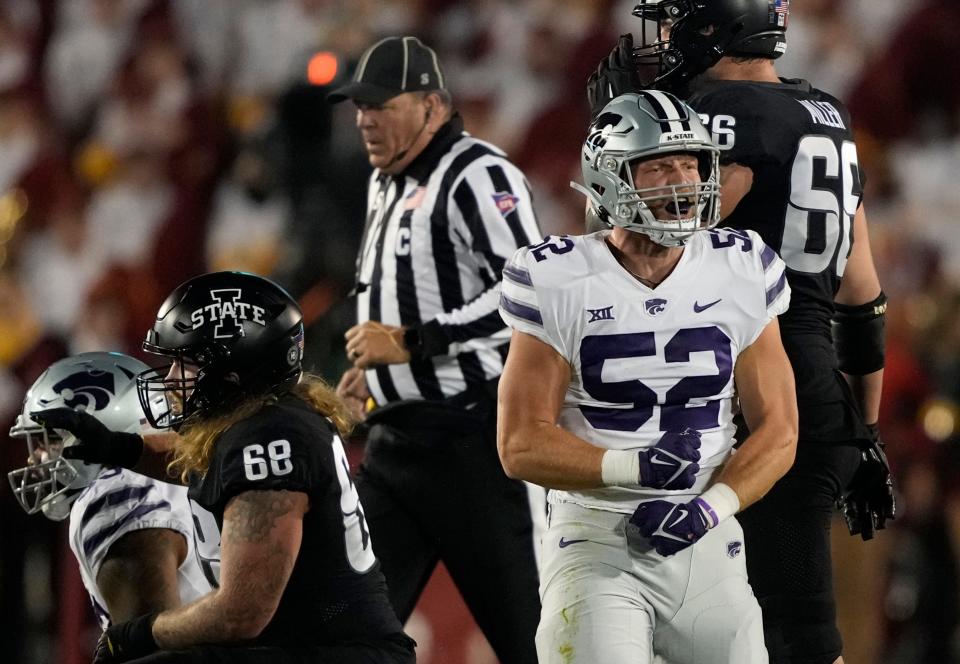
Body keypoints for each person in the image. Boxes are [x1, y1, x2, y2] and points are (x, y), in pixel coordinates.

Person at [585, 2, 896, 662]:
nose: (665, 36)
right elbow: (863, 300)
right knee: (778, 629)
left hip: (734, 395)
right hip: (815, 390)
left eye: (676, 19)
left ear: (714, 24)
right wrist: (863, 431)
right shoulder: (830, 117)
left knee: (764, 635)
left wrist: (625, 147)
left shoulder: (721, 113)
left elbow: (653, 250)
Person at [497, 90, 798, 664]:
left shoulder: (740, 266)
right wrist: (632, 466)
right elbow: (519, 444)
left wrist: (712, 506)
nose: (683, 181)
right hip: (597, 537)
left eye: (690, 163)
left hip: (707, 531)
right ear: (610, 177)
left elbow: (780, 430)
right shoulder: (558, 277)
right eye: (660, 165)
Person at [31, 271, 415, 663]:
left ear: (232, 372)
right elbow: (195, 458)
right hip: (320, 646)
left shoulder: (267, 442)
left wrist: (141, 632)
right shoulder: (263, 422)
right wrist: (116, 446)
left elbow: (239, 615)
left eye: (186, 364)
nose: (172, 379)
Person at [327, 35, 543, 663]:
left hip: (471, 444)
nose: (364, 118)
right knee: (350, 633)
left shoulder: (480, 173)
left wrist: (414, 344)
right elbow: (401, 298)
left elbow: (531, 290)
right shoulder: (384, 182)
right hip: (394, 448)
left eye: (380, 104)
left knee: (531, 637)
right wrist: (374, 375)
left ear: (432, 104)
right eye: (358, 106)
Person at [8, 351, 219, 630]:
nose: (34, 459)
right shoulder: (178, 470)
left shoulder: (118, 495)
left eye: (50, 441)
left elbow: (153, 650)